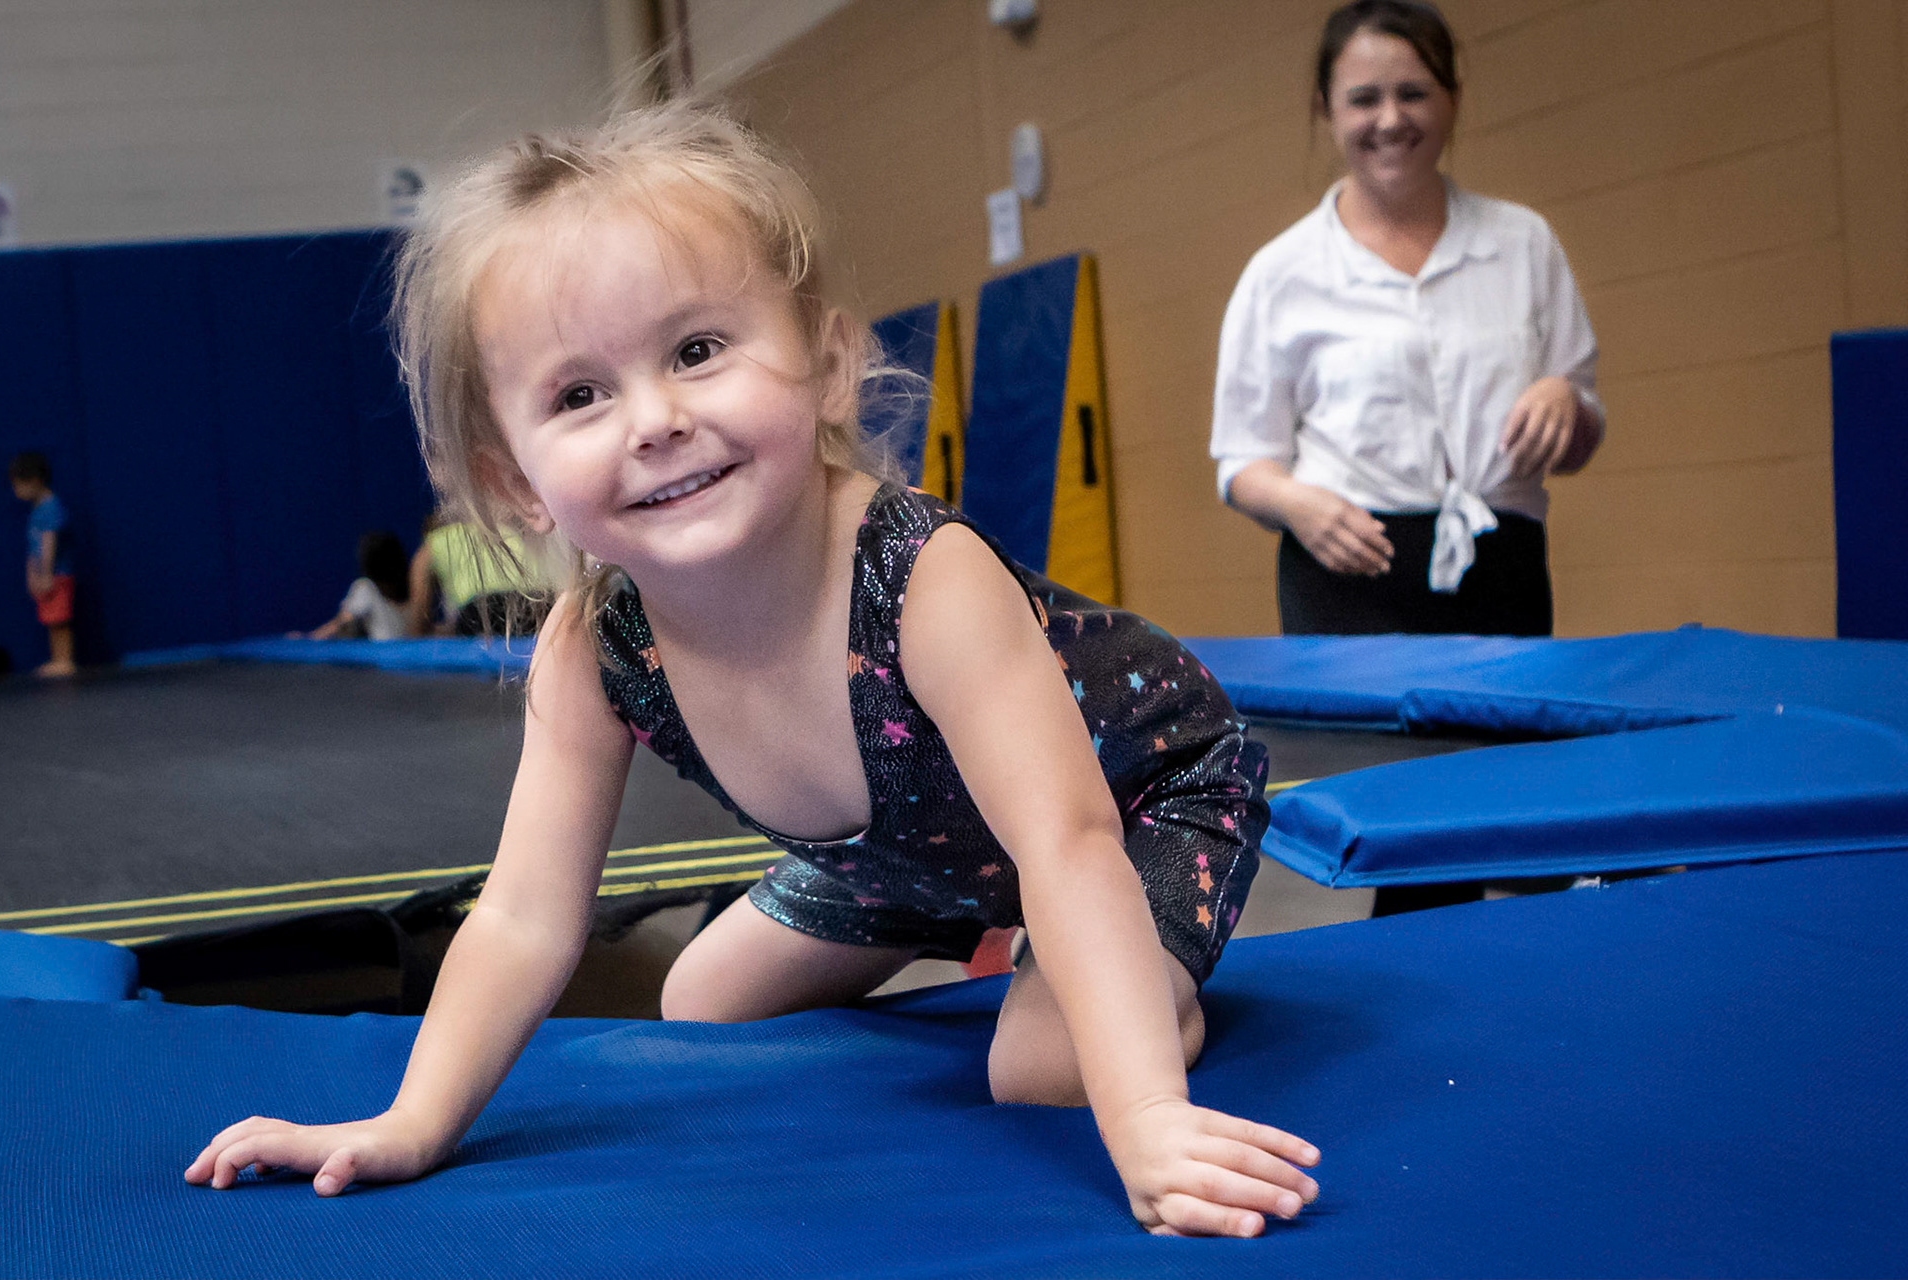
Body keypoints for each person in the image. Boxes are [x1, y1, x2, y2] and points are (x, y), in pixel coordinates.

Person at [185, 99, 1320, 1238]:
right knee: (703, 996)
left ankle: (1121, 993)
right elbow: (526, 913)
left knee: (1036, 1065)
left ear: (824, 366)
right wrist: (411, 1120)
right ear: (519, 479)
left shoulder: (920, 579)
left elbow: (1065, 845)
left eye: (696, 349)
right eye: (580, 394)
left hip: (1134, 806)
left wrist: (1146, 1119)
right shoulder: (597, 651)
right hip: (908, 857)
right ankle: (1006, 942)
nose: (657, 418)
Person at [1211, 0, 1604, 640]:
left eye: (1414, 93)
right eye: (1364, 98)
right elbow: (1241, 462)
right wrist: (1296, 506)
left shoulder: (1523, 243)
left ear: (1451, 98)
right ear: (1325, 107)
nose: (1390, 119)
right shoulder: (1281, 273)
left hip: (1503, 572)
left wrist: (1568, 400)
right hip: (1347, 575)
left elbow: (1580, 438)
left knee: (1514, 745)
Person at [405, 511, 545, 637]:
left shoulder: (432, 544)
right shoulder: (507, 531)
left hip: (479, 610)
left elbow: (419, 615)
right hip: (534, 605)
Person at [8, 451, 75, 677]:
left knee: (59, 619)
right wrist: (32, 576)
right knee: (51, 619)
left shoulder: (50, 507)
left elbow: (49, 543)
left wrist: (46, 574)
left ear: (34, 481)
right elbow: (32, 548)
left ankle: (64, 660)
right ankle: (58, 659)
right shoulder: (37, 511)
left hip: (58, 574)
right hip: (45, 574)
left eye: (18, 485)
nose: (16, 492)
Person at [305, 531, 411, 640]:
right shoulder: (368, 588)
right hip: (402, 653)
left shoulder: (365, 587)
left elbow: (342, 622)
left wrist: (309, 638)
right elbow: (344, 623)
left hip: (392, 654)